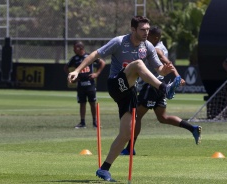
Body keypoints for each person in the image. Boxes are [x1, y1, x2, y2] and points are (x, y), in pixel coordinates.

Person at [67, 16, 181, 182]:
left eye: (148, 29)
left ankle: (104, 169)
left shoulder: (148, 46)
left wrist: (166, 69)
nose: (146, 32)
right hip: (115, 84)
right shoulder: (119, 42)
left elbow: (159, 70)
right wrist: (77, 70)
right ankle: (164, 89)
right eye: (142, 29)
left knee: (126, 133)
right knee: (137, 65)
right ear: (133, 29)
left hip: (129, 92)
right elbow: (94, 55)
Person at [121, 26, 202, 156]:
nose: (146, 36)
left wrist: (177, 76)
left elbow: (164, 59)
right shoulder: (155, 46)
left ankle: (130, 148)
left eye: (149, 35)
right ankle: (192, 128)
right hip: (160, 86)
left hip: (151, 86)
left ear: (156, 38)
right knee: (163, 118)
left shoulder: (157, 48)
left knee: (136, 116)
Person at [64, 41, 106, 128]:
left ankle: (95, 122)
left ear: (80, 48)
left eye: (75, 48)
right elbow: (65, 67)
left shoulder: (89, 56)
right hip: (80, 85)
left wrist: (97, 73)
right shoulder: (74, 58)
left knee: (92, 103)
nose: (73, 50)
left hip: (90, 84)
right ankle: (82, 123)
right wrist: (72, 76)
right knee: (82, 103)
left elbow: (102, 63)